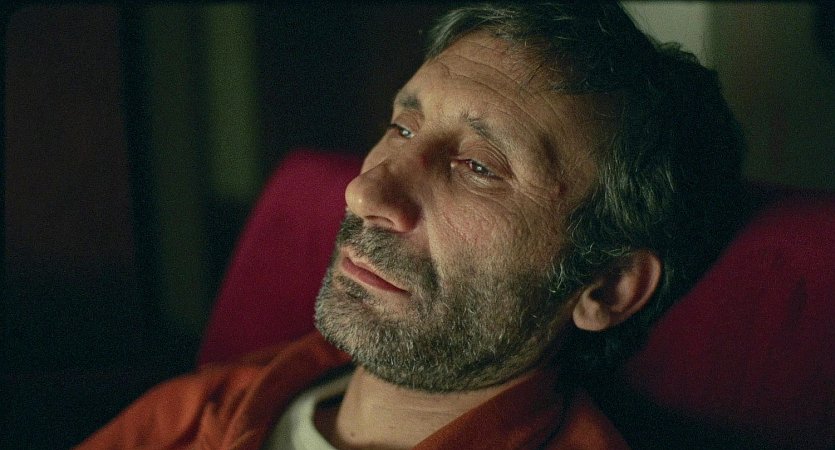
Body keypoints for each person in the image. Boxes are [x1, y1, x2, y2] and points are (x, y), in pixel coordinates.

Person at [77, 2, 745, 449]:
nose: (365, 191)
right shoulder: (208, 408)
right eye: (401, 127)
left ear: (606, 286)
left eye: (477, 166)